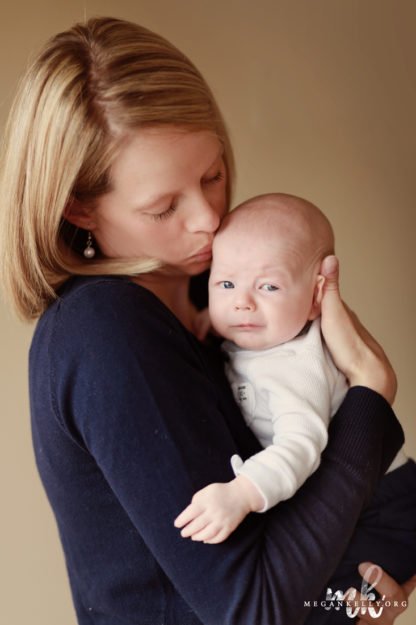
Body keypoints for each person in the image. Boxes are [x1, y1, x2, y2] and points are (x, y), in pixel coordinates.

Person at [0, 16, 413, 625]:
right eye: (165, 206)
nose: (208, 220)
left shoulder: (213, 292)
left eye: (213, 175)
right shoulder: (105, 334)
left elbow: (312, 507)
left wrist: (367, 592)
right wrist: (371, 395)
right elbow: (254, 608)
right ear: (79, 209)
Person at [175, 193, 416, 604]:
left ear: (317, 297)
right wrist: (206, 321)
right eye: (226, 283)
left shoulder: (293, 367)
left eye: (269, 286)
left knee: (317, 607)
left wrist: (241, 493)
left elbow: (300, 446)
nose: (242, 302)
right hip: (363, 498)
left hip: (384, 510)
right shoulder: (257, 336)